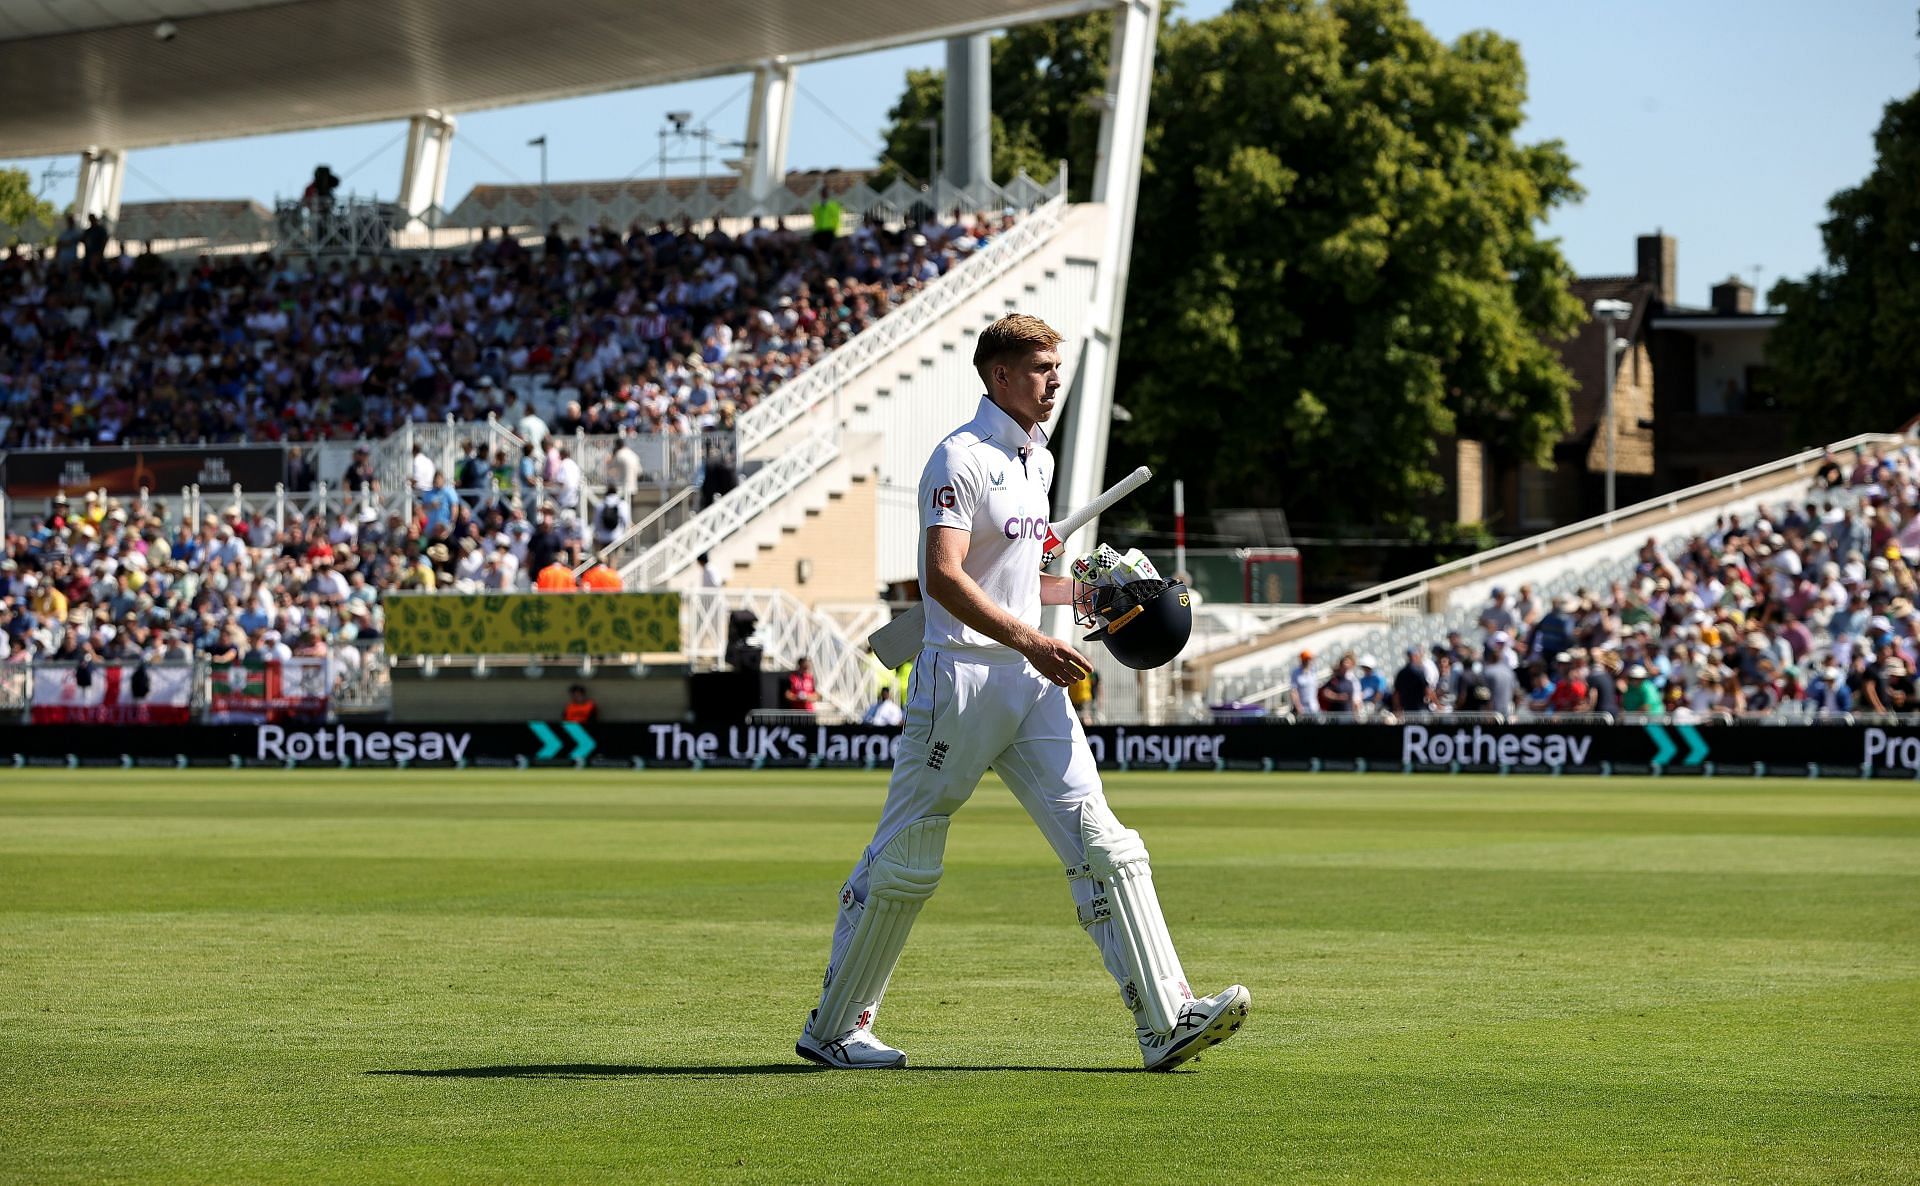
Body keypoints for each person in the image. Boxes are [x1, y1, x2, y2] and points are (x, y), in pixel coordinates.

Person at [796, 313, 1248, 1073]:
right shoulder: (959, 457)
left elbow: (1014, 575)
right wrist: (1031, 639)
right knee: (905, 861)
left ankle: (1166, 1019)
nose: (1053, 380)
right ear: (999, 376)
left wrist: (1086, 592)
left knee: (1104, 844)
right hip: (962, 678)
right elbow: (942, 577)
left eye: (1055, 367)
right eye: (1040, 368)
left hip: (1032, 685)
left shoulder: (1034, 463)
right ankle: (836, 1026)